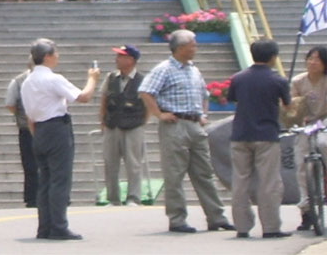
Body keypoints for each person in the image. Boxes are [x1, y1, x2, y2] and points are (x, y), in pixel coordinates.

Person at [138, 29, 234, 233]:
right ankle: (177, 219)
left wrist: (202, 114)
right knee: (174, 174)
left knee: (205, 173)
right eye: (193, 44)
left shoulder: (193, 69)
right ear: (181, 47)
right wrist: (159, 114)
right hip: (175, 124)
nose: (195, 48)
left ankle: (216, 217)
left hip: (194, 125)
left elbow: (204, 94)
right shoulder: (164, 69)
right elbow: (145, 91)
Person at [21, 38, 100, 240]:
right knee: (59, 179)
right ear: (47, 56)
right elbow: (83, 97)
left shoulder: (27, 82)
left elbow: (30, 115)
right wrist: (92, 79)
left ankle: (45, 226)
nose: (57, 57)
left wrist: (36, 134)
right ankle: (58, 225)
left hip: (38, 129)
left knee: (45, 180)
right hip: (56, 128)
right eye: (55, 53)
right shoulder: (53, 79)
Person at [227, 39, 292, 239]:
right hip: (266, 135)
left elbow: (233, 98)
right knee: (269, 182)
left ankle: (242, 226)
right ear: (273, 57)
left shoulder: (238, 78)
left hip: (240, 134)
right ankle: (271, 226)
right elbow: (287, 105)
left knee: (240, 180)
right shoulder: (278, 80)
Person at [99, 45, 147, 207]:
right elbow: (104, 100)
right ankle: (113, 198)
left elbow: (148, 105)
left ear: (131, 60)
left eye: (121, 56)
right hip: (112, 125)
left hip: (134, 126)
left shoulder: (142, 80)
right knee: (110, 162)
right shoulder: (111, 77)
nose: (117, 59)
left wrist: (141, 123)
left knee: (133, 163)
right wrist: (102, 122)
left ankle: (133, 197)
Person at [291, 46, 327, 231]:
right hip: (305, 125)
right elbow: (292, 107)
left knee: (323, 143)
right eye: (310, 58)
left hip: (325, 123)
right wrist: (297, 115)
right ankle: (306, 210)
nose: (313, 63)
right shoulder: (298, 81)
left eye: (317, 60)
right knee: (302, 163)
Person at [5, 56, 38, 208]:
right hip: (26, 130)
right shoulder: (18, 81)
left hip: (46, 128)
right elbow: (10, 104)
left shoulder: (50, 79)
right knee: (30, 165)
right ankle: (32, 197)